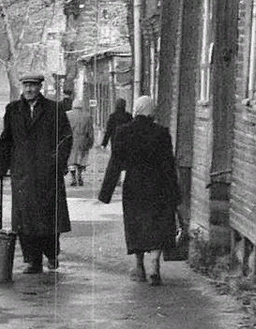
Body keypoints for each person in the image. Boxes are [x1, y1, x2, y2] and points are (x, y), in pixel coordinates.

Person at [98, 95, 181, 286]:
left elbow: (115, 163)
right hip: (159, 186)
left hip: (135, 186)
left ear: (135, 110)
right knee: (159, 224)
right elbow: (169, 165)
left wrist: (106, 193)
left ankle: (139, 265)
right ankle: (154, 264)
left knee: (136, 225)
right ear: (152, 111)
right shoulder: (162, 133)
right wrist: (175, 194)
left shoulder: (124, 132)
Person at [0, 73, 73, 274]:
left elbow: (66, 137)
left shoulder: (54, 109)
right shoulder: (13, 110)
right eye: (26, 85)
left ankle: (52, 254)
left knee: (48, 218)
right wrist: (2, 167)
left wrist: (57, 161)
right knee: (25, 220)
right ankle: (32, 260)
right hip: (23, 174)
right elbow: (6, 139)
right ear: (22, 87)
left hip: (48, 173)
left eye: (33, 86)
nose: (29, 89)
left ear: (40, 87)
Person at [65, 97, 94, 186]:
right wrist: (91, 141)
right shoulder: (87, 116)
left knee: (71, 159)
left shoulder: (67, 115)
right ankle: (80, 175)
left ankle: (73, 177)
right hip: (83, 140)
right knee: (81, 159)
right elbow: (90, 131)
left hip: (71, 140)